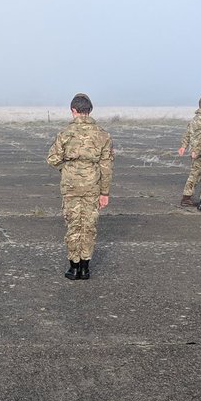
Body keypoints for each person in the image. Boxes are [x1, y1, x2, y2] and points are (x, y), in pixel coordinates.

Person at [47, 93, 114, 280]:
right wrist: (105, 192)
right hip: (92, 185)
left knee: (73, 225)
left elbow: (52, 159)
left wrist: (66, 169)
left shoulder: (65, 134)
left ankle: (73, 267)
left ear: (73, 111)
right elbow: (106, 166)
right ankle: (85, 267)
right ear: (90, 110)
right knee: (89, 225)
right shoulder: (102, 135)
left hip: (70, 186)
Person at [178, 96, 201, 207]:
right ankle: (186, 198)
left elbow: (187, 134)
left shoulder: (194, 119)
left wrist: (183, 146)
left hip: (195, 150)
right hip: (199, 151)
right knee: (195, 174)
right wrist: (196, 150)